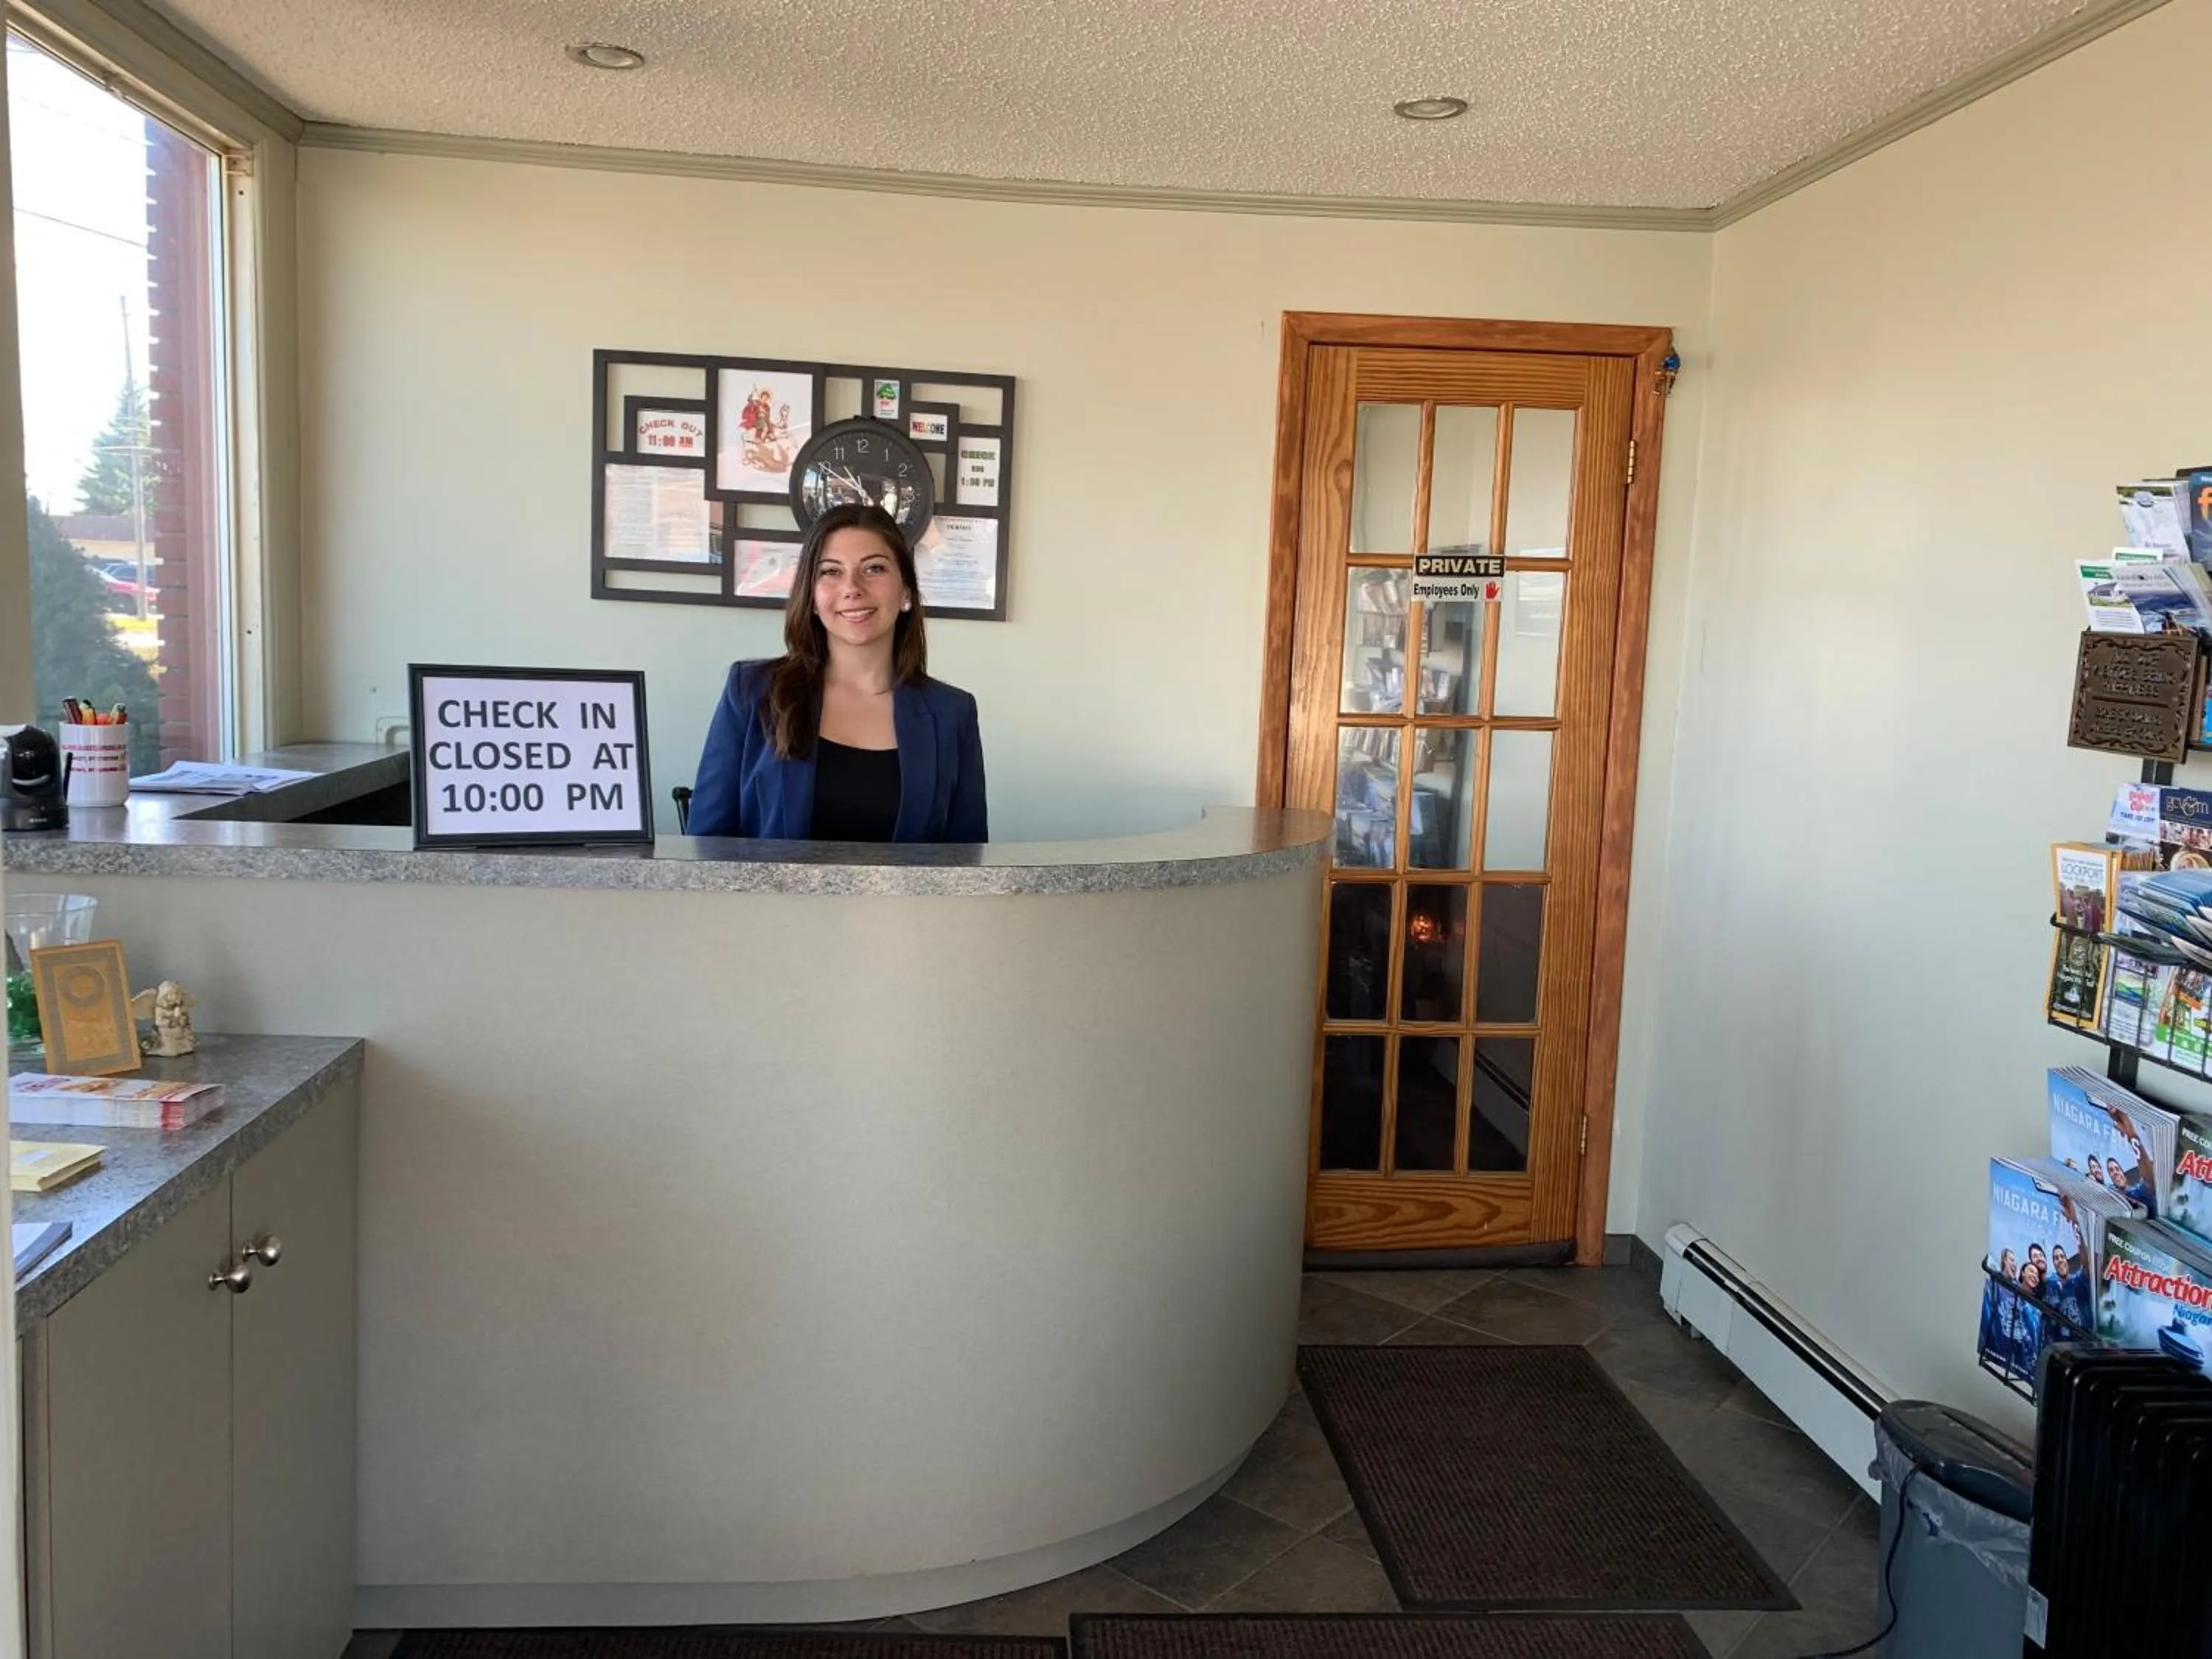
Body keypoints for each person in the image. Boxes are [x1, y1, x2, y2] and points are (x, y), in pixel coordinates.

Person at [686, 502, 987, 842]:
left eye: (874, 568)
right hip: (772, 898)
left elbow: (966, 867)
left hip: (905, 899)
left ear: (905, 591)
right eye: (831, 571)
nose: (852, 588)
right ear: (812, 596)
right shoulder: (752, 692)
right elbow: (707, 848)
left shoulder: (953, 714)